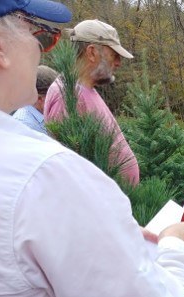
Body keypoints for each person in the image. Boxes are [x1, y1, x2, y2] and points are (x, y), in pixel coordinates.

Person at [0, 2, 184, 297]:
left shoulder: (80, 100)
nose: (118, 64)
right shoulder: (44, 173)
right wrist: (177, 251)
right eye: (33, 33)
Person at [44, 19, 139, 186]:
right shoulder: (66, 96)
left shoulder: (86, 90)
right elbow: (69, 173)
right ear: (92, 52)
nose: (118, 63)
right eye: (114, 55)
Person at [12, 64, 58, 134]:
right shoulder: (24, 125)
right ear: (39, 98)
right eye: (56, 97)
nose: (61, 101)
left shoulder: (47, 115)